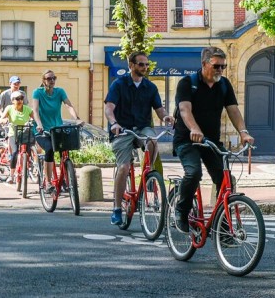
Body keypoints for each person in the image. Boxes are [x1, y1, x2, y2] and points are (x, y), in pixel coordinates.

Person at [173, 47, 254, 233]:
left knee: (226, 179)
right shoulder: (187, 83)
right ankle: (181, 210)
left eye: (223, 67)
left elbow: (233, 110)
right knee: (194, 173)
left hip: (211, 141)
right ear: (204, 64)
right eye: (216, 66)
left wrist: (243, 132)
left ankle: (223, 228)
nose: (220, 70)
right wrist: (194, 129)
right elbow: (185, 110)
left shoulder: (224, 84)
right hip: (187, 140)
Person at [105, 51, 173, 226]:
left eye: (146, 64)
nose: (145, 67)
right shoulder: (118, 85)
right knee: (124, 167)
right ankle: (117, 209)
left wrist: (165, 117)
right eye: (141, 64)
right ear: (131, 66)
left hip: (142, 128)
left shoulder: (150, 87)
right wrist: (114, 123)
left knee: (152, 141)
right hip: (122, 129)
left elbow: (159, 109)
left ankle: (148, 174)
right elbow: (109, 108)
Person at [31, 70, 82, 193]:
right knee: (49, 149)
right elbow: (36, 111)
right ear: (44, 81)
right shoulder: (38, 92)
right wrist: (39, 124)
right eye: (49, 79)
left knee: (65, 150)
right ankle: (48, 183)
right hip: (41, 130)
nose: (52, 80)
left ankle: (65, 177)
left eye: (54, 78)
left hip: (56, 129)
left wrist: (77, 119)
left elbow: (68, 105)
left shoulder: (60, 92)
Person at [0, 90, 35, 185]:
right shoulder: (9, 108)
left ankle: (29, 168)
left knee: (28, 152)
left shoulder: (27, 109)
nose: (20, 100)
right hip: (13, 133)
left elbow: (35, 118)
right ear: (12, 100)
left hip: (25, 133)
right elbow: (1, 118)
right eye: (17, 99)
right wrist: (5, 120)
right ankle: (11, 176)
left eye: (21, 98)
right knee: (15, 152)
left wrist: (34, 121)